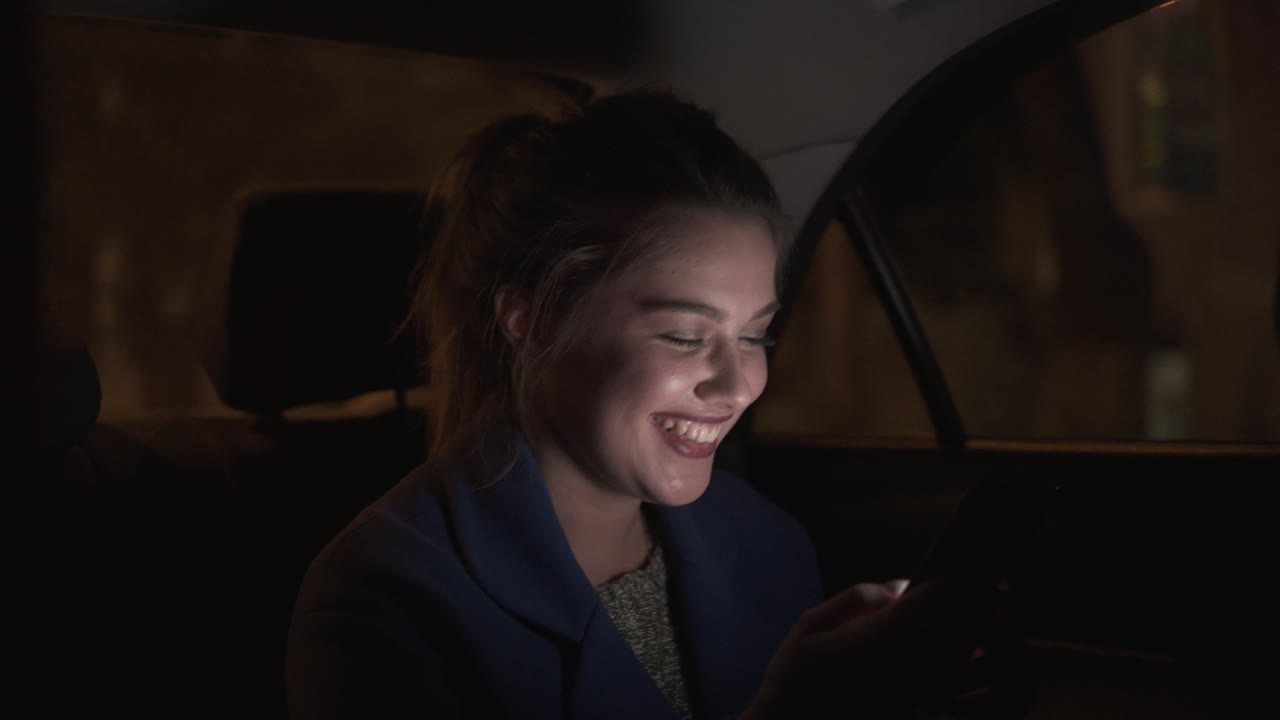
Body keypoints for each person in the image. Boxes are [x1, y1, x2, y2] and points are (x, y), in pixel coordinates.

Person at [286, 90, 994, 720]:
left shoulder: (766, 543)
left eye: (755, 335)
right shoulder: (388, 600)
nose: (737, 384)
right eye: (686, 336)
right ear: (531, 321)